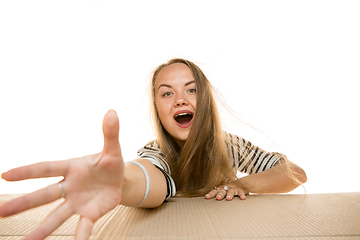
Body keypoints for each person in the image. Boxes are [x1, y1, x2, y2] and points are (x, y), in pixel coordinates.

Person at [0, 58, 307, 240]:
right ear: (158, 108)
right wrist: (118, 182)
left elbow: (294, 173)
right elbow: (146, 180)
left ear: (206, 101)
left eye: (191, 89)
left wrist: (240, 183)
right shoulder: (157, 153)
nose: (180, 100)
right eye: (167, 93)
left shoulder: (229, 145)